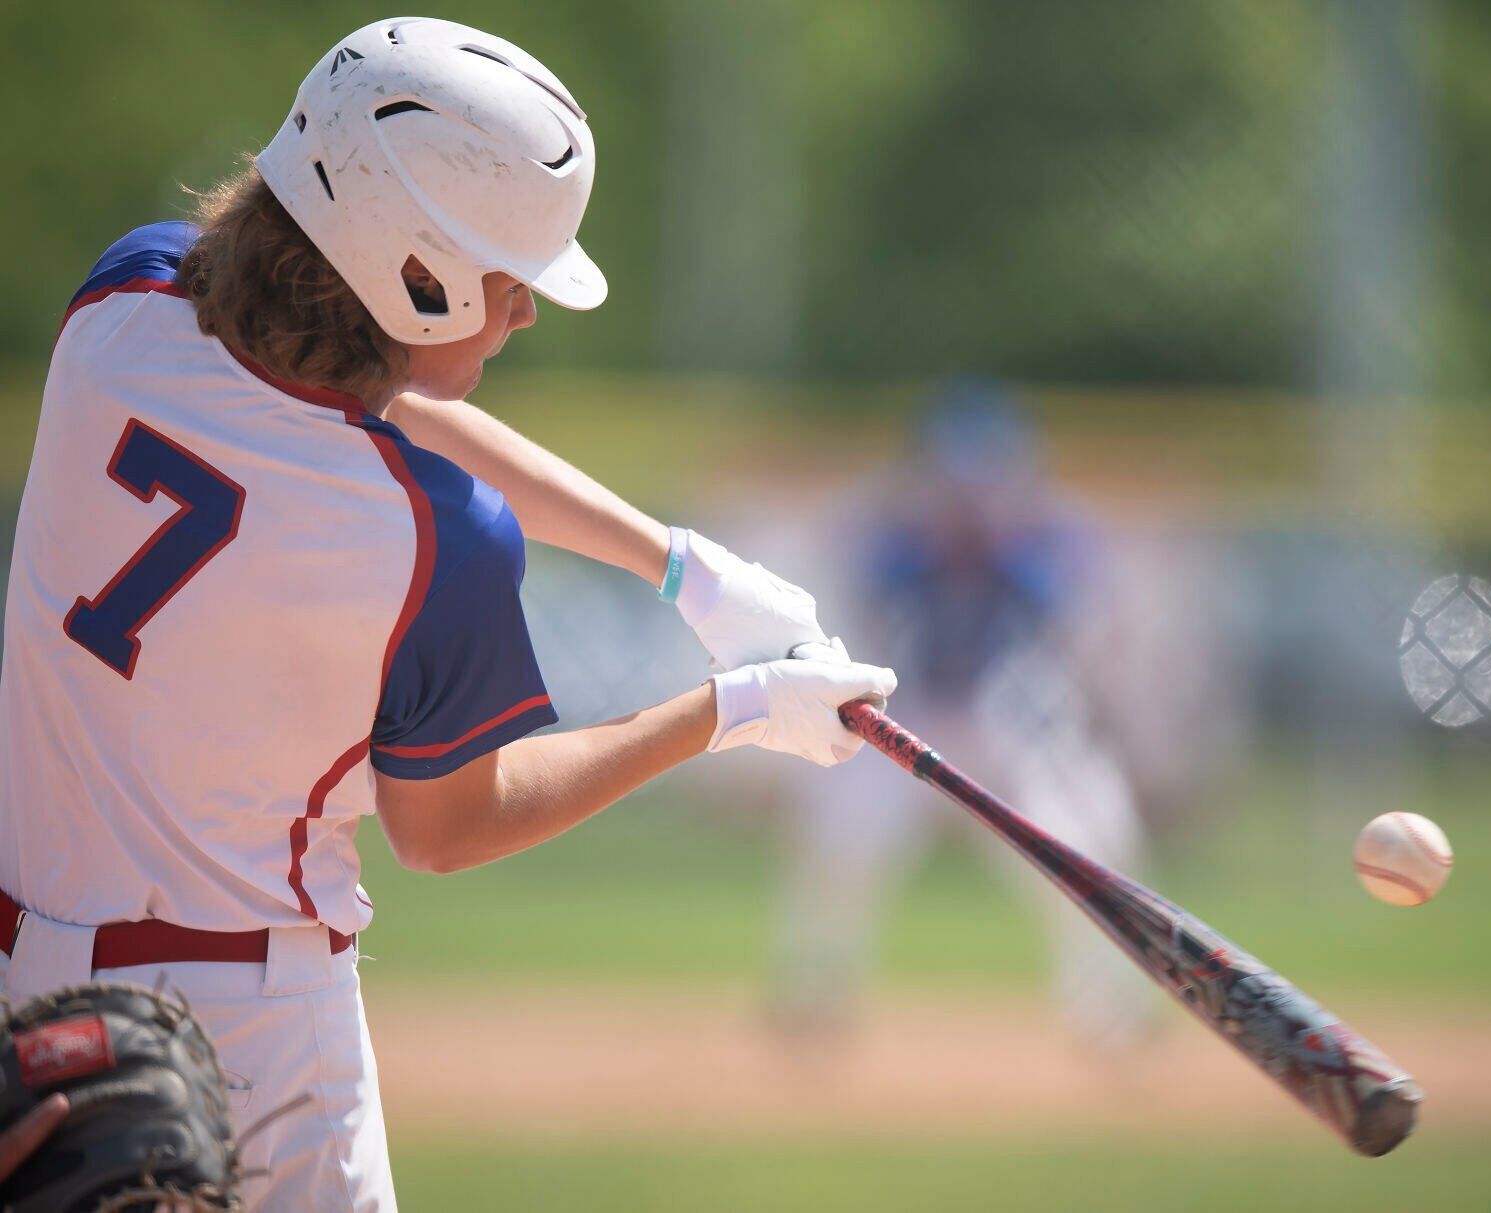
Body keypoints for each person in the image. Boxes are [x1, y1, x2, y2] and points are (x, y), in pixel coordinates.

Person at [0, 18, 893, 1212]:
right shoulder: (435, 536)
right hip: (247, 1037)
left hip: (22, 993)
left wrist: (681, 566)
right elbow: (447, 829)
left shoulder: (122, 299)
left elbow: (353, 404)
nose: (524, 312)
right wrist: (728, 712)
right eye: (508, 280)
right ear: (416, 276)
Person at [770, 380, 1157, 1051]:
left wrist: (1001, 545)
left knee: (1081, 845)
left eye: (987, 475)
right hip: (911, 716)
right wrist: (939, 541)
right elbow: (863, 581)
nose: (971, 493)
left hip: (1008, 725)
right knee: (842, 844)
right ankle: (814, 993)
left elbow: (1077, 608)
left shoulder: (1042, 537)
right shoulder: (899, 535)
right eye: (957, 476)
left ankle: (1109, 1009)